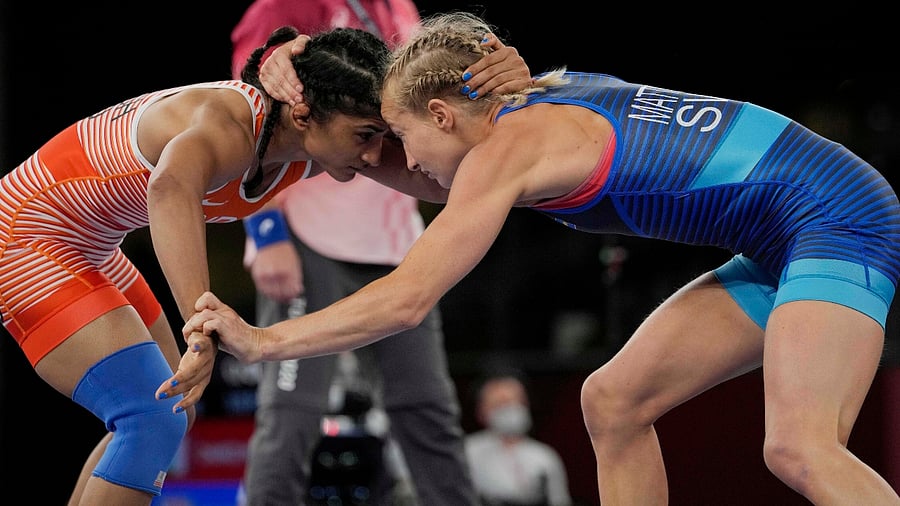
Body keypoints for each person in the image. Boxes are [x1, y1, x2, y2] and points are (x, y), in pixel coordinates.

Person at [173, 11, 900, 505]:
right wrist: (297, 92)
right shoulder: (522, 98)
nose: (402, 163)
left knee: (800, 448)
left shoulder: (509, 151)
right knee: (612, 404)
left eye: (397, 136)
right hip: (784, 236)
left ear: (441, 117)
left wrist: (264, 341)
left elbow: (407, 299)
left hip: (835, 216)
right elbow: (413, 119)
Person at [1, 23, 525, 505]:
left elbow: (441, 176)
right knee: (151, 415)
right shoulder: (229, 123)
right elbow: (169, 187)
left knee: (167, 411)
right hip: (24, 235)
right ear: (301, 116)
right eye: (365, 136)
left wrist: (508, 100)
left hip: (91, 244)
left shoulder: (318, 134)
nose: (375, 155)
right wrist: (200, 324)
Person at [230, 1, 480, 504]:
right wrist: (267, 234)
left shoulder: (400, 7)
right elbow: (247, 116)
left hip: (395, 240)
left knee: (427, 406)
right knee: (293, 411)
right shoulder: (288, 4)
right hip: (309, 232)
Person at [465, 372, 572, 506]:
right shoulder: (467, 453)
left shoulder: (544, 456)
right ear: (481, 411)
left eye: (515, 401)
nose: (509, 409)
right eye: (500, 404)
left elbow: (559, 500)